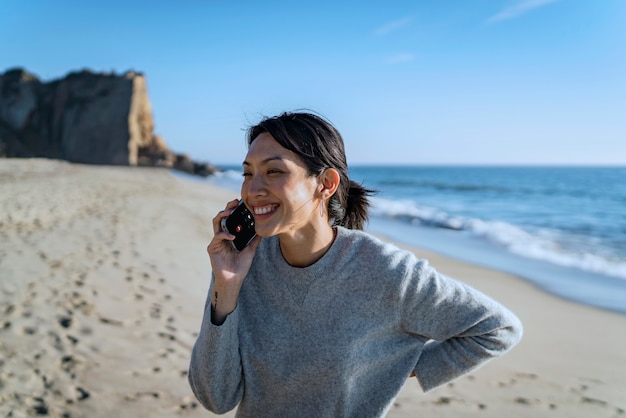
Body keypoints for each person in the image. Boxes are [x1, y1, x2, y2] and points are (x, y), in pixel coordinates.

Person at [188, 111, 523, 417]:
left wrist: (388, 368)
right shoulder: (244, 262)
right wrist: (226, 289)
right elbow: (216, 398)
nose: (254, 189)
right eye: (248, 174)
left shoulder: (387, 272)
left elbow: (496, 330)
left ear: (326, 184)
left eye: (274, 171)